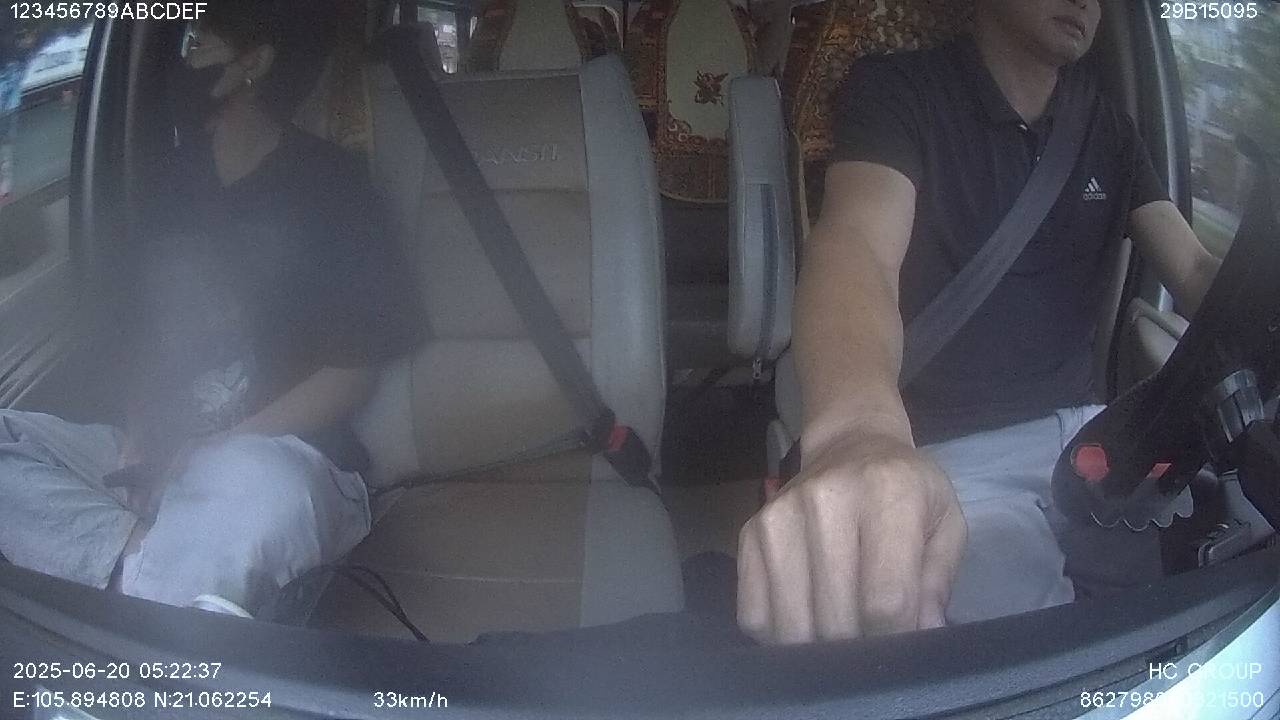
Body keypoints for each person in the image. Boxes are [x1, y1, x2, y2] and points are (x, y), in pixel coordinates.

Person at [737, 0, 1222, 644]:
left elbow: (1194, 268)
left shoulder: (1109, 127)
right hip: (952, 453)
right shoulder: (901, 90)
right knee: (1027, 646)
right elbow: (858, 248)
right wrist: (856, 430)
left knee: (1218, 564)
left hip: (1093, 442)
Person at [0, 0, 420, 615]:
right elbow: (144, 337)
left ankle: (143, 601)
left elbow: (351, 375)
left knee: (253, 494)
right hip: (167, 453)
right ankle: (139, 561)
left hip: (278, 453)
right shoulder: (167, 184)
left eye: (197, 44)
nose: (181, 61)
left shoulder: (334, 187)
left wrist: (215, 445)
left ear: (254, 63)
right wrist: (143, 439)